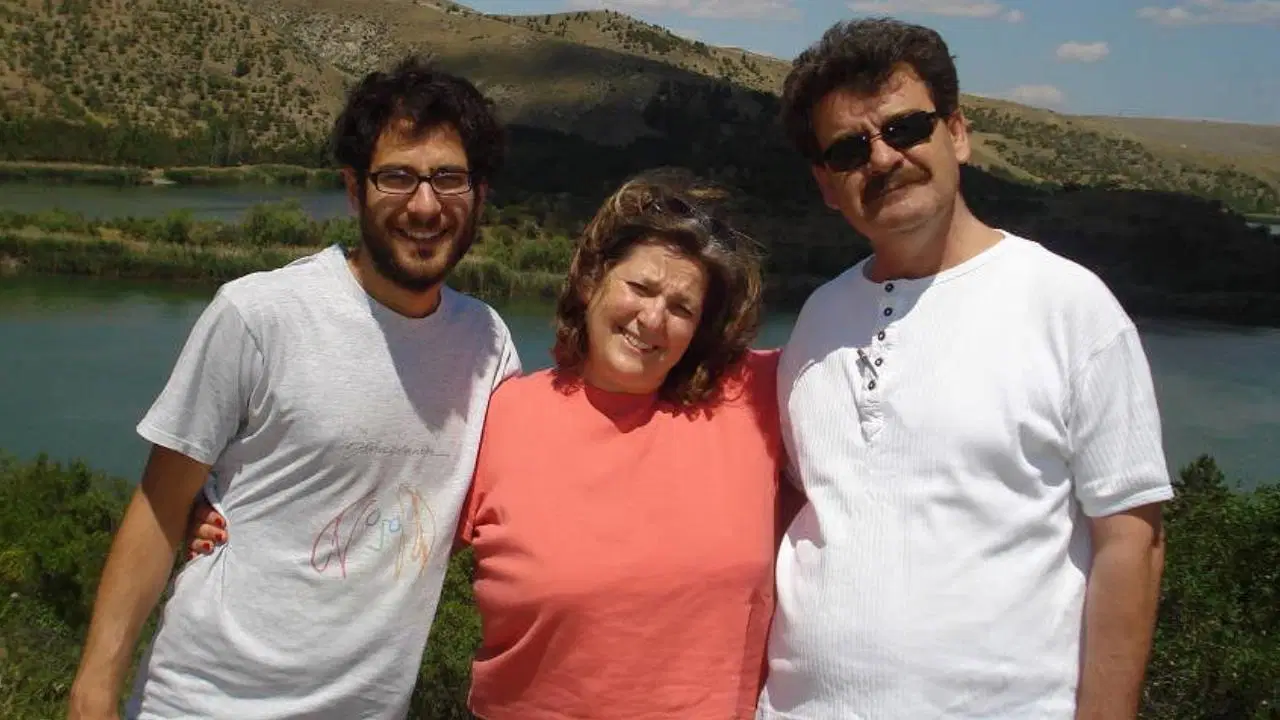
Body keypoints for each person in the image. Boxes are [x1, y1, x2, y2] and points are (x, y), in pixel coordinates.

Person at [187, 170, 796, 718]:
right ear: (592, 281)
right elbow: (376, 527)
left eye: (682, 307)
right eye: (639, 287)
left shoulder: (754, 398)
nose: (652, 319)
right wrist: (227, 506)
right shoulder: (503, 413)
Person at [68, 55, 521, 720]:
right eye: (397, 177)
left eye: (448, 179)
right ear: (353, 188)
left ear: (479, 194)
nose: (425, 205)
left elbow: (494, 509)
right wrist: (93, 692)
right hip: (203, 703)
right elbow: (162, 507)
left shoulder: (488, 344)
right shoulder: (260, 315)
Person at [757, 17, 1173, 719]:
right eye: (850, 149)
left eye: (905, 129)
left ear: (956, 133)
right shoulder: (819, 318)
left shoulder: (1067, 306)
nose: (882, 159)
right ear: (827, 184)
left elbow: (1131, 541)